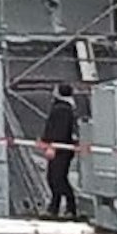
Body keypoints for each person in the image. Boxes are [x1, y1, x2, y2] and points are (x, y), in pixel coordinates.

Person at [43, 82, 81, 220]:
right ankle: (55, 206)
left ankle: (70, 208)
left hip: (60, 149)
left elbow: (59, 130)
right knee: (54, 178)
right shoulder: (64, 107)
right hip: (61, 149)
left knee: (57, 178)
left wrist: (52, 146)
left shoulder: (62, 109)